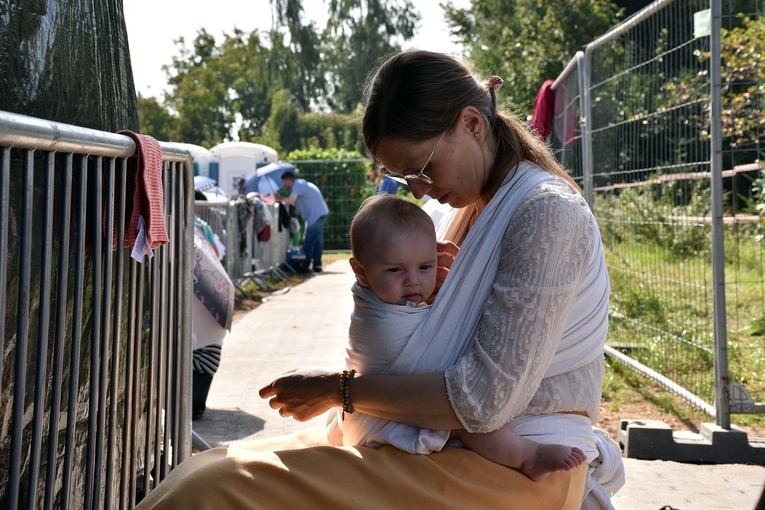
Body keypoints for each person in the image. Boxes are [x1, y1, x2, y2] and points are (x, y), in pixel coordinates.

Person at [135, 50, 624, 510]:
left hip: (519, 467)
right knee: (201, 475)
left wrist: (339, 389)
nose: (420, 189)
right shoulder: (456, 209)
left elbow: (480, 403)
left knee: (211, 492)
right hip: (428, 441)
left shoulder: (545, 214)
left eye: (425, 168)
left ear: (472, 124)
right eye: (405, 177)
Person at [327, 193, 586, 481]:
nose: (413, 280)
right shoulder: (379, 325)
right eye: (395, 269)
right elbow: (431, 378)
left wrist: (409, 263)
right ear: (361, 271)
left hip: (368, 407)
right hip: (381, 419)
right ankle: (528, 457)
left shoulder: (379, 289)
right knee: (463, 416)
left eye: (425, 266)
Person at [277, 170, 329, 272]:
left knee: (309, 241)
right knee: (317, 240)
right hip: (319, 214)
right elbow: (292, 200)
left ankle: (305, 266)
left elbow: (291, 201)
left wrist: (279, 201)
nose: (283, 184)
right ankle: (317, 265)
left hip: (316, 216)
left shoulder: (299, 185)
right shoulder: (299, 185)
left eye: (284, 182)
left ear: (288, 180)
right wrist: (282, 199)